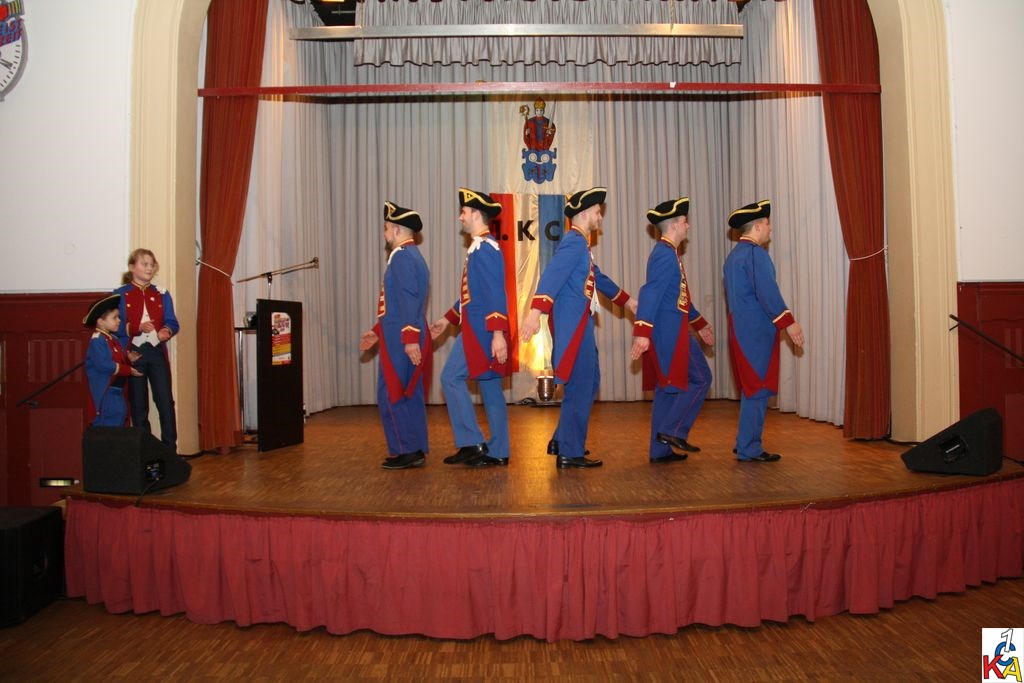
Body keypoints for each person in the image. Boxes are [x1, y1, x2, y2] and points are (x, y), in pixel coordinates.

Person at [520, 187, 637, 469]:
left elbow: (598, 278)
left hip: (581, 323)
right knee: (581, 384)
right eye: (597, 212)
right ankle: (570, 452)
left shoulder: (581, 245)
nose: (600, 217)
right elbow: (552, 275)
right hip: (573, 326)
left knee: (589, 382)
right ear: (584, 213)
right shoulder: (574, 242)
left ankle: (562, 439)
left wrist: (628, 301)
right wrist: (535, 312)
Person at [430, 189, 511, 467]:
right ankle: (499, 450)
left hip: (481, 333)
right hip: (481, 329)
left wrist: (497, 334)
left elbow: (496, 293)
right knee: (489, 387)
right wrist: (447, 320)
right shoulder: (481, 247)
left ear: (476, 214)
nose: (460, 217)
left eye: (463, 212)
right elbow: (472, 296)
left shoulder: (485, 249)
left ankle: (471, 442)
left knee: (450, 378)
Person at [629, 197, 714, 463]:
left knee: (668, 389)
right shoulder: (665, 254)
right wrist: (641, 332)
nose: (688, 226)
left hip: (669, 330)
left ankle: (660, 450)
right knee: (702, 378)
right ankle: (673, 430)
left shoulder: (667, 253)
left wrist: (699, 323)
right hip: (670, 333)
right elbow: (650, 292)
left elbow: (678, 298)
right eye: (685, 221)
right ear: (675, 224)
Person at [723, 199, 805, 462]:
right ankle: (749, 448)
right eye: (767, 224)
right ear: (757, 226)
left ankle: (744, 442)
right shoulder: (755, 254)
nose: (770, 229)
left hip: (740, 328)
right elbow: (768, 293)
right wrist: (789, 322)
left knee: (751, 388)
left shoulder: (733, 256)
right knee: (757, 389)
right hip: (756, 330)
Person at [359, 201, 432, 469]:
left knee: (393, 393)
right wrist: (377, 331)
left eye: (387, 228)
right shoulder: (412, 256)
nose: (385, 233)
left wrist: (410, 340)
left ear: (398, 230)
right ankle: (414, 447)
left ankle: (406, 450)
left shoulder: (402, 257)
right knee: (409, 394)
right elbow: (398, 306)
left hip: (401, 339)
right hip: (401, 333)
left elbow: (408, 300)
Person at [114, 249, 180, 451]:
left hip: (156, 352)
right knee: (138, 404)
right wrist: (136, 328)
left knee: (165, 401)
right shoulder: (120, 294)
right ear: (132, 267)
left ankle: (169, 450)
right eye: (144, 264)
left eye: (152, 264)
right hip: (134, 353)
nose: (149, 268)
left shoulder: (161, 293)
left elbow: (172, 321)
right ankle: (145, 450)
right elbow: (114, 325)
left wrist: (166, 331)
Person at [84, 294, 142, 427]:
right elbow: (104, 365)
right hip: (106, 392)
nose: (119, 321)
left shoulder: (113, 339)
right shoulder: (97, 340)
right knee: (108, 424)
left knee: (119, 418)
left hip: (117, 391)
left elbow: (118, 362)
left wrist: (129, 360)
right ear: (100, 321)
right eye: (114, 317)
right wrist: (128, 370)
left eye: (118, 317)